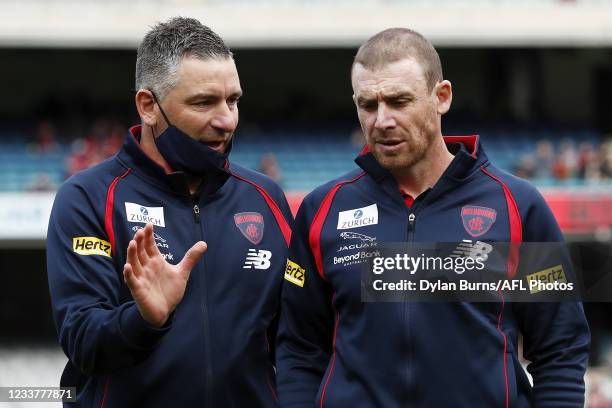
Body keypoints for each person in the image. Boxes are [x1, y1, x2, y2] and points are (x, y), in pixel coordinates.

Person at [276, 28, 590, 407]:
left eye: (399, 101)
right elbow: (299, 349)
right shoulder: (322, 209)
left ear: (441, 97)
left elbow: (561, 348)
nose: (382, 120)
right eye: (368, 105)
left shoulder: (520, 207)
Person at [47, 17, 292, 407]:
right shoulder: (88, 197)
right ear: (148, 106)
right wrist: (145, 320)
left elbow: (296, 342)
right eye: (204, 102)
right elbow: (83, 341)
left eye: (233, 100)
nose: (226, 120)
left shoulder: (265, 198)